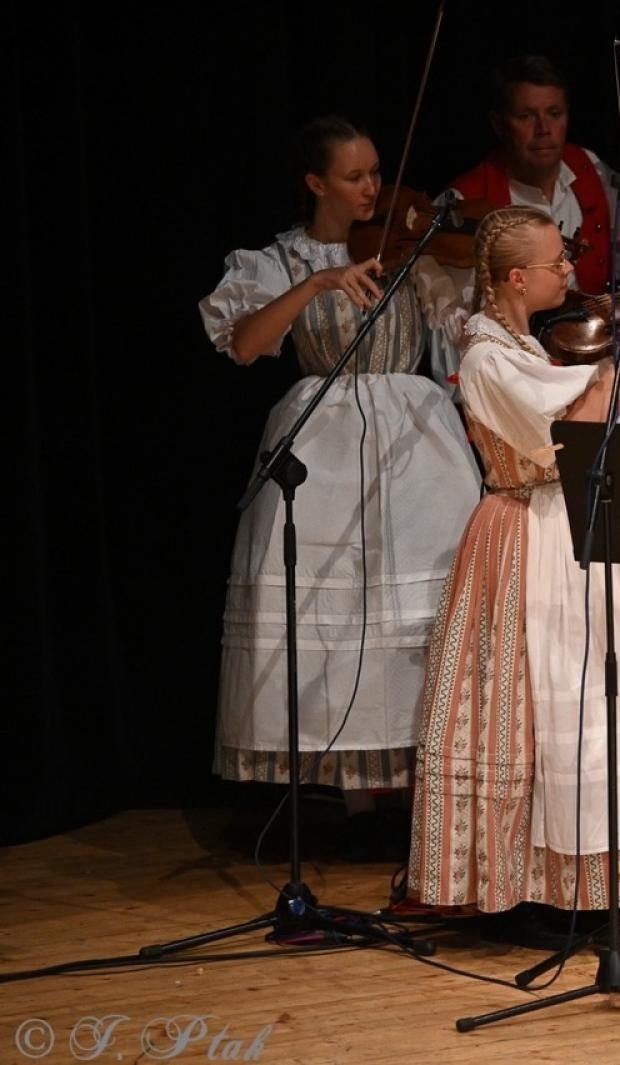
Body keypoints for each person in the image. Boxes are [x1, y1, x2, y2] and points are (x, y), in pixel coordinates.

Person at [406, 206, 620, 914]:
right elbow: (571, 437)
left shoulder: (534, 352)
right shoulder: (486, 357)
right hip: (528, 534)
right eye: (559, 262)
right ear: (517, 277)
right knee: (542, 710)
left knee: (607, 702)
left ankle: (606, 887)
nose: (572, 270)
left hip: (582, 532)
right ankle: (532, 889)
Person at [197, 115, 480, 860]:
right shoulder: (279, 258)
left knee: (415, 612)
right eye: (354, 176)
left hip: (414, 439)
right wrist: (318, 281)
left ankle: (420, 789)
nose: (372, 189)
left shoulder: (410, 250)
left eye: (376, 173)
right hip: (321, 433)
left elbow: (466, 333)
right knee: (334, 609)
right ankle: (352, 792)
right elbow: (246, 344)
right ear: (316, 182)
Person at [445, 54, 620, 295]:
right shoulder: (464, 202)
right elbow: (454, 324)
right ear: (499, 125)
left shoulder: (588, 168)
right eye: (526, 116)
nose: (543, 129)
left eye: (554, 114)